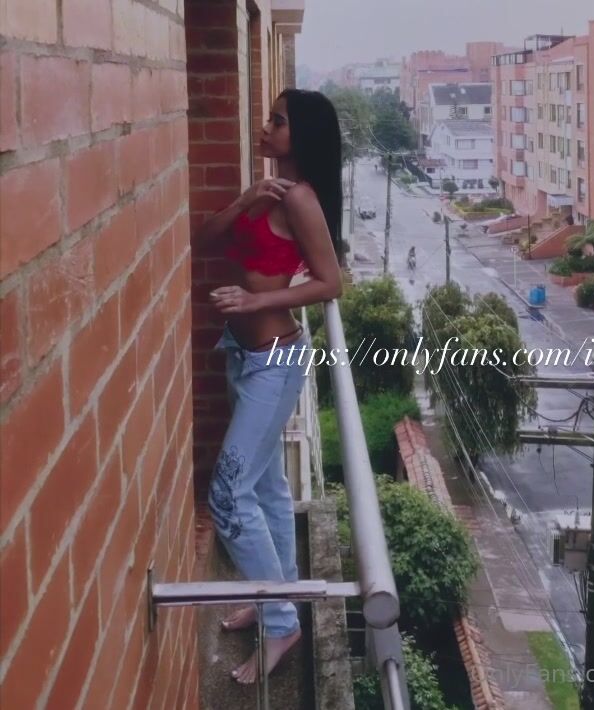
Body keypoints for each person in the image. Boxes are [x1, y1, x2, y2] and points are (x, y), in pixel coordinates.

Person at [193, 89, 343, 684]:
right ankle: (273, 596)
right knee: (267, 488)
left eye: (277, 121)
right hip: (242, 354)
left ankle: (282, 623)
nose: (265, 127)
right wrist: (246, 199)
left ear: (300, 135)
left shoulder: (302, 198)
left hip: (275, 361)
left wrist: (256, 300)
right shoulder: (270, 191)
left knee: (229, 497)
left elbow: (331, 283)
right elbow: (206, 240)